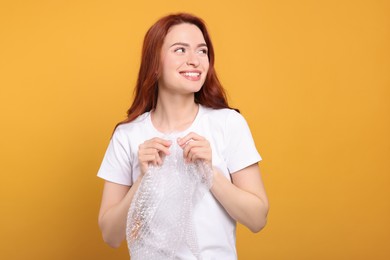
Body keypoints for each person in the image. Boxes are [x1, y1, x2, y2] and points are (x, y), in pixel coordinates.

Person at [97, 13, 269, 259]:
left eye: (202, 51)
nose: (195, 60)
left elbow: (257, 218)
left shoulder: (229, 124)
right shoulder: (127, 135)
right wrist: (142, 183)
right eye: (180, 50)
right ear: (154, 63)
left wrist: (210, 174)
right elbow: (110, 236)